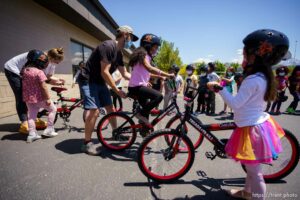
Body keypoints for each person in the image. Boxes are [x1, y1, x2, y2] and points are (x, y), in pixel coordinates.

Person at [208, 29, 289, 200]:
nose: (243, 58)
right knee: (250, 166)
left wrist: (219, 88)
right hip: (256, 125)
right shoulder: (264, 77)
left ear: (255, 55)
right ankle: (247, 193)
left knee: (255, 173)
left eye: (245, 55)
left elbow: (235, 105)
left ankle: (257, 197)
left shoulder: (253, 79)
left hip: (251, 130)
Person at [79, 25, 136, 155]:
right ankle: (86, 143)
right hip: (88, 79)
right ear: (124, 34)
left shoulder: (119, 53)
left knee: (111, 108)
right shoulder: (108, 46)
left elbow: (125, 74)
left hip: (99, 81)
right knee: (94, 111)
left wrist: (140, 81)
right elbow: (105, 72)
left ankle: (115, 133)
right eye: (131, 37)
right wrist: (116, 90)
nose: (131, 40)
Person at [4, 48, 65, 134]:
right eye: (56, 61)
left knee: (34, 96)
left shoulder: (51, 63)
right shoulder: (38, 57)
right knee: (21, 95)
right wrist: (47, 97)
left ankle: (33, 119)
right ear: (50, 57)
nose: (57, 63)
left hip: (24, 72)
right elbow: (40, 80)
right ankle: (24, 123)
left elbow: (46, 79)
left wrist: (58, 80)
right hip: (13, 69)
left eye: (59, 61)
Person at [128, 33, 174, 126]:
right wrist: (167, 74)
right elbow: (149, 68)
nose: (156, 49)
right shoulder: (143, 54)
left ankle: (144, 130)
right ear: (148, 45)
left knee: (146, 110)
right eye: (155, 47)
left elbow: (147, 73)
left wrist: (160, 77)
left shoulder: (146, 56)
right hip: (136, 87)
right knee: (158, 96)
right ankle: (140, 114)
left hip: (138, 86)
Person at [21, 50, 58, 143]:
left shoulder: (24, 70)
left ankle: (32, 134)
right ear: (39, 62)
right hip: (40, 98)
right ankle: (49, 130)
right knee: (52, 109)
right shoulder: (39, 72)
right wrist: (48, 98)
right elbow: (43, 86)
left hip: (28, 99)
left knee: (31, 116)